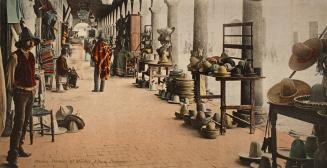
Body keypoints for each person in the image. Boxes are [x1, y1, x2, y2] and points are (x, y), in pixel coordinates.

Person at [5, 26, 40, 168]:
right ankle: (12, 157)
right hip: (20, 93)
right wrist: (13, 91)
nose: (31, 44)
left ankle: (19, 147)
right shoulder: (14, 56)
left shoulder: (31, 56)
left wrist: (35, 85)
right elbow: (9, 76)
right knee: (18, 123)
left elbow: (32, 72)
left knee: (25, 122)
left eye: (32, 41)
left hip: (31, 92)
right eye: (29, 41)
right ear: (23, 41)